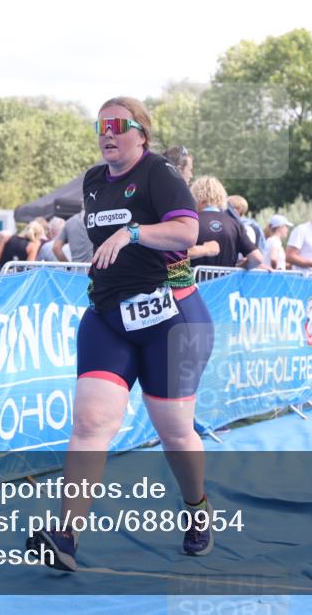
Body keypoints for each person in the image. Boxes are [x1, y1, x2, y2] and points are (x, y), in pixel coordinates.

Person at [26, 96, 215, 571]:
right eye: (100, 125)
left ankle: (197, 509)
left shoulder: (160, 174)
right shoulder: (93, 181)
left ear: (141, 134)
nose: (106, 133)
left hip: (170, 318)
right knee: (90, 423)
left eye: (117, 124)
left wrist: (133, 234)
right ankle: (65, 536)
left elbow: (187, 234)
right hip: (109, 316)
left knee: (174, 431)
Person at [189, 176, 264, 269]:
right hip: (225, 282)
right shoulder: (235, 224)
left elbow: (174, 256)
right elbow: (257, 259)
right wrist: (238, 268)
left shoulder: (191, 222)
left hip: (195, 281)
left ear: (197, 196)